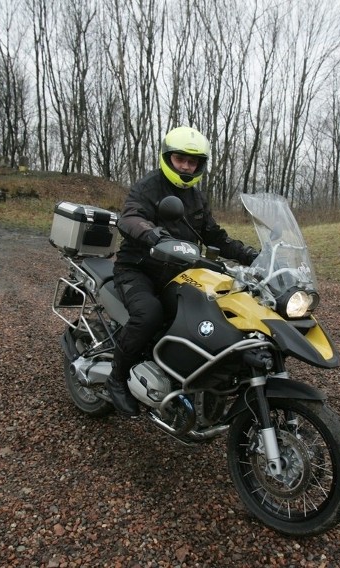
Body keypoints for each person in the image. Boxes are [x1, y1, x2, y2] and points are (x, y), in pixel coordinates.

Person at [107, 126, 259, 416]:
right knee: (149, 313)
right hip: (138, 269)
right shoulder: (148, 187)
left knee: (212, 315)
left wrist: (254, 256)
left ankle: (192, 378)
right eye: (181, 159)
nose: (187, 166)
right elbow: (130, 217)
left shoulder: (196, 198)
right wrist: (152, 234)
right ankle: (117, 378)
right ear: (168, 157)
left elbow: (215, 236)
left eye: (193, 162)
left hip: (178, 271)